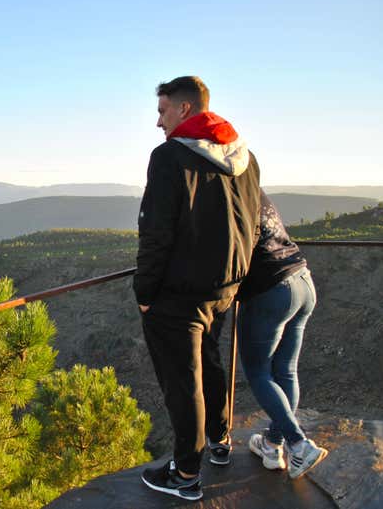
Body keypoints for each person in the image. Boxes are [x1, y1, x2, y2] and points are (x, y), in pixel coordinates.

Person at [133, 76, 261, 501]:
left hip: (178, 294)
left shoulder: (169, 158)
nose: (158, 122)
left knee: (183, 382)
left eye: (162, 111)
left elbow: (156, 231)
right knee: (210, 364)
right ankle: (220, 441)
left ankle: (186, 474)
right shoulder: (246, 157)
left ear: (185, 110)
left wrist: (145, 294)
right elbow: (253, 222)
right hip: (224, 288)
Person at [237, 191, 328, 478]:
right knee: (286, 372)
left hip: (272, 290)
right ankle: (272, 446)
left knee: (259, 373)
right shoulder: (253, 189)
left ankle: (299, 444)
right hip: (302, 279)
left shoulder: (224, 198)